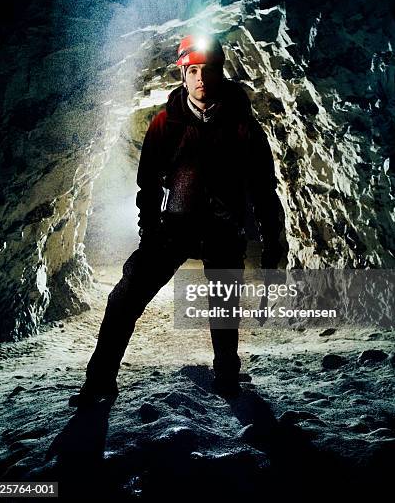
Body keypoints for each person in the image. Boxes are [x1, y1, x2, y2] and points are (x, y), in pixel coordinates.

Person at [69, 35, 285, 407]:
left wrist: (272, 242)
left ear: (221, 73)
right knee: (124, 298)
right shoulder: (164, 124)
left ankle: (227, 373)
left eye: (209, 70)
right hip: (175, 226)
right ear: (183, 74)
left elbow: (265, 190)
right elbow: (148, 183)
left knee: (224, 304)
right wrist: (149, 230)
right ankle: (100, 380)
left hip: (223, 227)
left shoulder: (243, 128)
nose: (201, 78)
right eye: (194, 71)